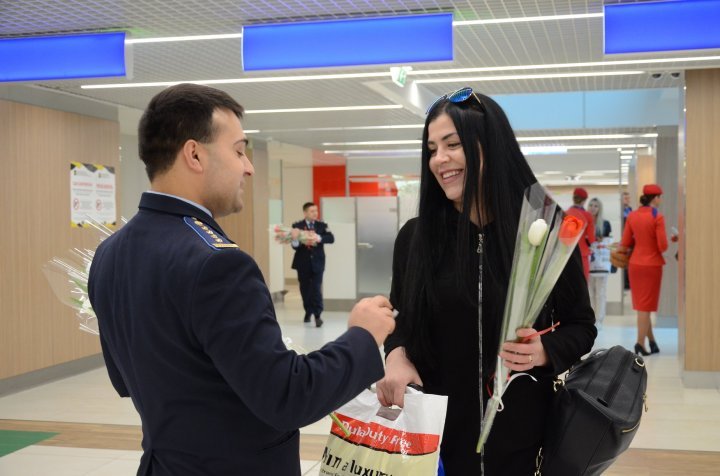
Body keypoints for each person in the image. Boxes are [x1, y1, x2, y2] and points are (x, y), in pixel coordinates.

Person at [87, 84, 396, 476]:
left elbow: (126, 378)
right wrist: (363, 337)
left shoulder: (109, 253)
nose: (248, 166)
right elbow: (287, 397)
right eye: (237, 151)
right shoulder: (216, 264)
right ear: (194, 154)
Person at [375, 87, 596, 474]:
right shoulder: (416, 238)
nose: (439, 159)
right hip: (434, 442)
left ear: (489, 146)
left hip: (525, 442)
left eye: (452, 144)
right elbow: (401, 323)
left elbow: (582, 325)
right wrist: (395, 355)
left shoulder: (545, 234)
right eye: (431, 149)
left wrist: (544, 350)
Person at [621, 184, 673, 356]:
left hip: (635, 264)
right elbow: (662, 246)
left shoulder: (633, 215)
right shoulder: (657, 216)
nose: (661, 200)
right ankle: (639, 343)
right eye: (660, 197)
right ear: (655, 198)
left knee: (643, 306)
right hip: (652, 265)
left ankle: (652, 341)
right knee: (645, 306)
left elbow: (626, 242)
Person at [290, 202, 334, 327]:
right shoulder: (297, 226)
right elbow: (294, 247)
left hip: (318, 263)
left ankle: (318, 315)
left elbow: (331, 238)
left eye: (316, 211)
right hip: (302, 263)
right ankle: (308, 311)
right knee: (305, 289)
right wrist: (295, 239)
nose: (315, 213)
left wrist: (318, 238)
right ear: (305, 213)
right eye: (312, 211)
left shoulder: (322, 225)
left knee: (316, 288)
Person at [587, 197, 612, 329]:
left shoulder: (606, 224)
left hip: (602, 263)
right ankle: (591, 319)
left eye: (596, 205)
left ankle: (600, 320)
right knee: (589, 291)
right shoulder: (585, 221)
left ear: (599, 208)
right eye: (591, 205)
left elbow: (608, 241)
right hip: (589, 261)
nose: (593, 208)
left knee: (601, 292)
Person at [565, 187, 596, 281]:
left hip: (567, 254)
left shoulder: (566, 213)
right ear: (584, 200)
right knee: (582, 282)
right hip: (582, 254)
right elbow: (591, 239)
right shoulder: (587, 216)